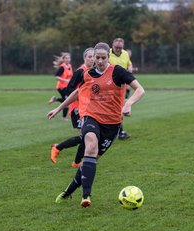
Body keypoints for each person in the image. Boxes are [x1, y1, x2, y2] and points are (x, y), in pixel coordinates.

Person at [47, 42, 145, 208]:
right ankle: (86, 196)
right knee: (90, 144)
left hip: (112, 124)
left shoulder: (118, 72)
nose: (99, 61)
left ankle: (68, 192)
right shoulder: (88, 74)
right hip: (91, 117)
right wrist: (58, 108)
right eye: (97, 57)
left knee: (90, 161)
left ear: (108, 57)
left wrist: (129, 104)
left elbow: (140, 90)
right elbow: (77, 93)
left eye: (103, 58)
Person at [50, 48, 95, 168]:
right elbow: (70, 89)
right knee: (85, 137)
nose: (92, 58)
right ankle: (58, 148)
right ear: (84, 58)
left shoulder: (94, 71)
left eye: (93, 56)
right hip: (77, 108)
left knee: (86, 137)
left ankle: (76, 162)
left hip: (87, 107)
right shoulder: (80, 72)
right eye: (89, 56)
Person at [109, 38, 133, 140]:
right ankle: (118, 131)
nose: (118, 47)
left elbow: (129, 63)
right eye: (116, 44)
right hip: (108, 85)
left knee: (118, 108)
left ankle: (119, 131)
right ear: (112, 45)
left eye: (121, 43)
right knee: (111, 108)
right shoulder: (107, 53)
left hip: (121, 86)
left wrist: (130, 67)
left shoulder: (125, 53)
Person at [48, 52, 73, 120]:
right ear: (64, 59)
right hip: (61, 87)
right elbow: (57, 77)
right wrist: (66, 80)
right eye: (66, 58)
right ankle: (64, 117)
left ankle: (55, 99)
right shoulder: (62, 67)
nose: (68, 59)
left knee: (68, 100)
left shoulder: (70, 66)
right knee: (67, 101)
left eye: (69, 58)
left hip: (67, 87)